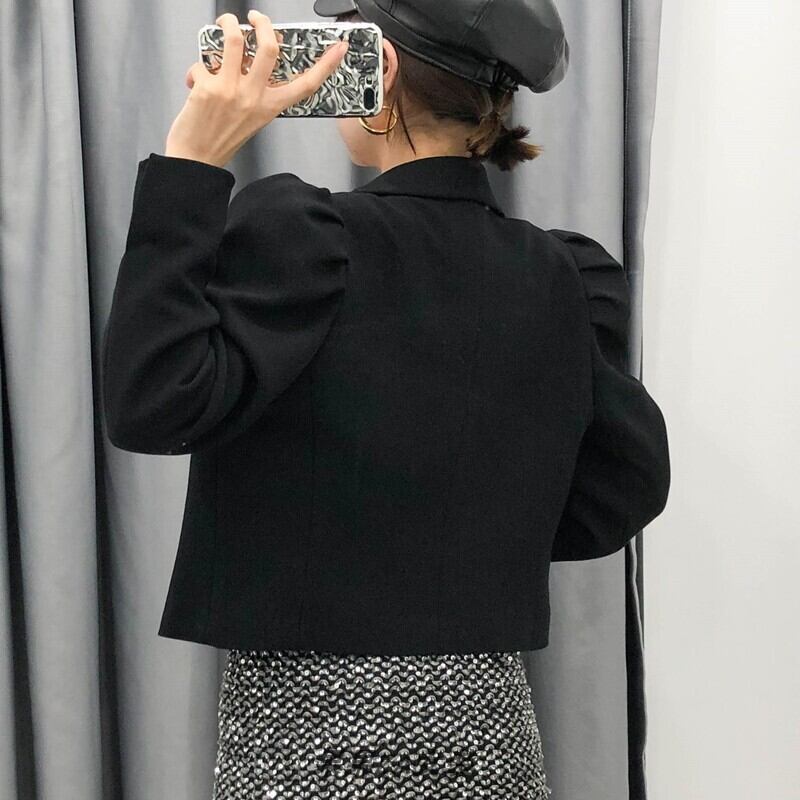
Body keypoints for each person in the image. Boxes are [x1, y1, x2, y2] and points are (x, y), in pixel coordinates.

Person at [101, 1, 670, 798]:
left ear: (383, 67)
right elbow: (623, 485)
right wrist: (475, 546)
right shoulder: (564, 274)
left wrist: (192, 160)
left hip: (306, 736)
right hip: (486, 730)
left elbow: (151, 404)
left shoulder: (305, 237)